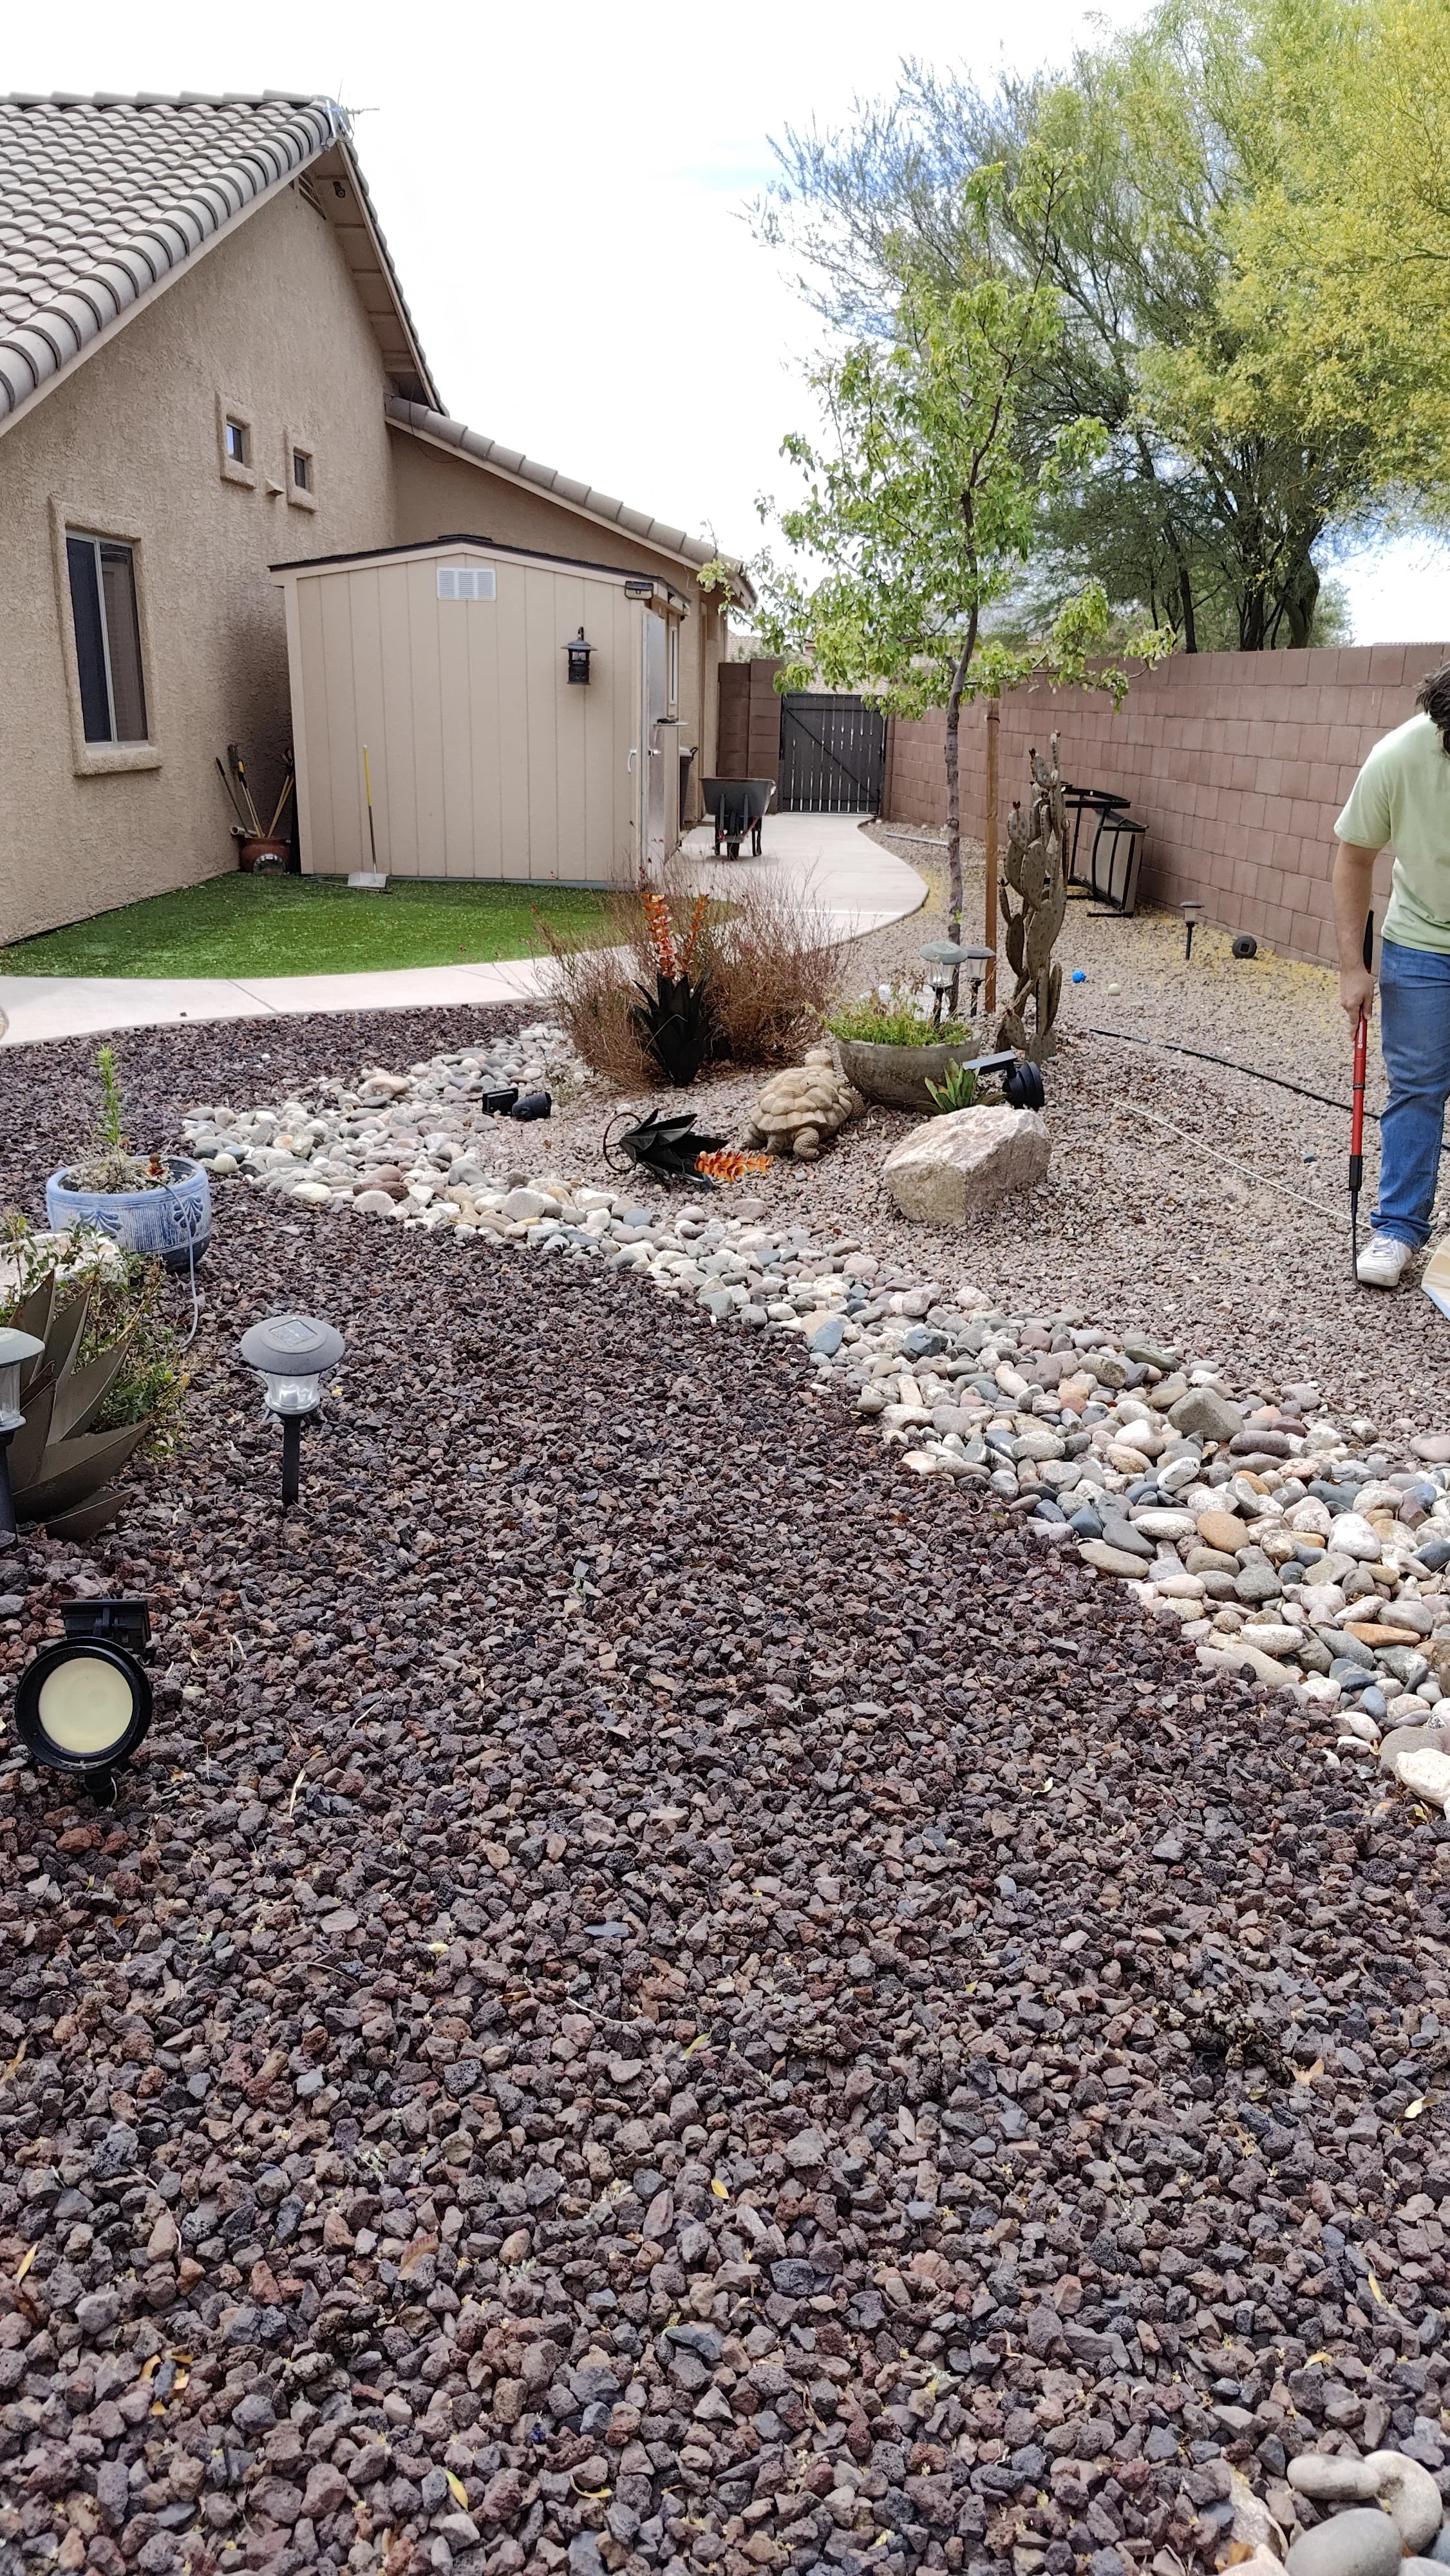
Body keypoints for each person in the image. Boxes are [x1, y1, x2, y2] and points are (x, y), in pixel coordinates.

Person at [1334, 658, 1450, 1287]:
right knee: (1416, 1088)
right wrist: (1351, 968)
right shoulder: (1397, 758)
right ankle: (1398, 1229)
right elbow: (1354, 857)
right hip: (1420, 942)